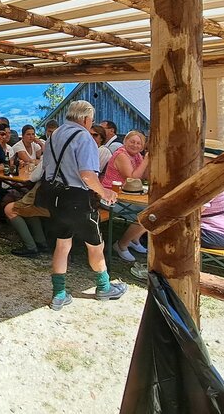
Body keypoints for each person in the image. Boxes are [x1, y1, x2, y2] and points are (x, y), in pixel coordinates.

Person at [41, 101, 126, 310]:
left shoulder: (54, 135)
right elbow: (87, 175)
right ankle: (104, 286)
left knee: (62, 244)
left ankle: (59, 294)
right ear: (86, 119)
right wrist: (104, 192)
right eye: (92, 121)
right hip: (77, 198)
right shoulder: (84, 137)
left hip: (55, 196)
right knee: (95, 245)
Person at [101, 130, 149, 262]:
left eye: (139, 143)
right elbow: (132, 178)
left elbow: (144, 176)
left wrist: (150, 162)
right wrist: (146, 161)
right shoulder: (121, 155)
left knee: (154, 211)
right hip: (110, 196)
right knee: (147, 215)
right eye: (132, 142)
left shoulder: (137, 156)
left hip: (126, 195)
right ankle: (121, 245)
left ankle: (134, 239)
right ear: (125, 142)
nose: (135, 145)